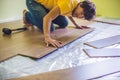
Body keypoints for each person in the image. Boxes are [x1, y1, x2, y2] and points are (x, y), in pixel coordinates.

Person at [23, 0, 96, 47]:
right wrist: (47, 37)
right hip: (34, 2)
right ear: (81, 4)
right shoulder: (68, 3)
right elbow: (47, 18)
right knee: (50, 28)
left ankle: (44, 12)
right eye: (82, 13)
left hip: (48, 5)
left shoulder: (76, 7)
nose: (80, 16)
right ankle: (27, 16)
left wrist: (76, 25)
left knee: (64, 23)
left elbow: (69, 12)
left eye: (83, 16)